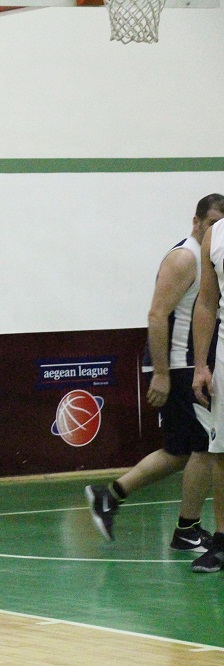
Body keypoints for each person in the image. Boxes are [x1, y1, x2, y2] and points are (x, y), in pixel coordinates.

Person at [86, 194, 224, 551]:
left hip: (187, 365)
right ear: (196, 222)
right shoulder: (184, 258)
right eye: (212, 223)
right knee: (207, 448)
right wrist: (162, 373)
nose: (216, 230)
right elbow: (156, 314)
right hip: (180, 366)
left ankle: (110, 495)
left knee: (179, 451)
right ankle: (187, 529)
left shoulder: (208, 258)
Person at [190, 194, 224, 573]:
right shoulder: (214, 237)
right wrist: (201, 364)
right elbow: (206, 302)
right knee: (221, 450)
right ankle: (223, 542)